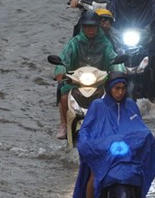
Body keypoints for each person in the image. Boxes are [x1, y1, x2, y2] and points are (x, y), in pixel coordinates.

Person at [66, 70, 155, 198]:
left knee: (138, 171)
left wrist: (146, 137)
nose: (120, 92)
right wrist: (85, 143)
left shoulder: (131, 105)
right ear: (109, 88)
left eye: (123, 88)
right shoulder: (98, 106)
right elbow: (86, 129)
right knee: (93, 173)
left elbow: (140, 127)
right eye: (116, 88)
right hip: (103, 151)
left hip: (127, 152)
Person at [53, 10, 123, 140]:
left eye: (93, 26)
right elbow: (64, 59)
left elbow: (113, 59)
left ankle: (114, 123)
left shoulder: (105, 44)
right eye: (87, 27)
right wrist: (60, 71)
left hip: (99, 82)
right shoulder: (74, 43)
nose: (90, 29)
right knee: (63, 97)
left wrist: (118, 72)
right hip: (75, 82)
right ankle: (64, 125)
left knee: (115, 97)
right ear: (82, 27)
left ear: (98, 27)